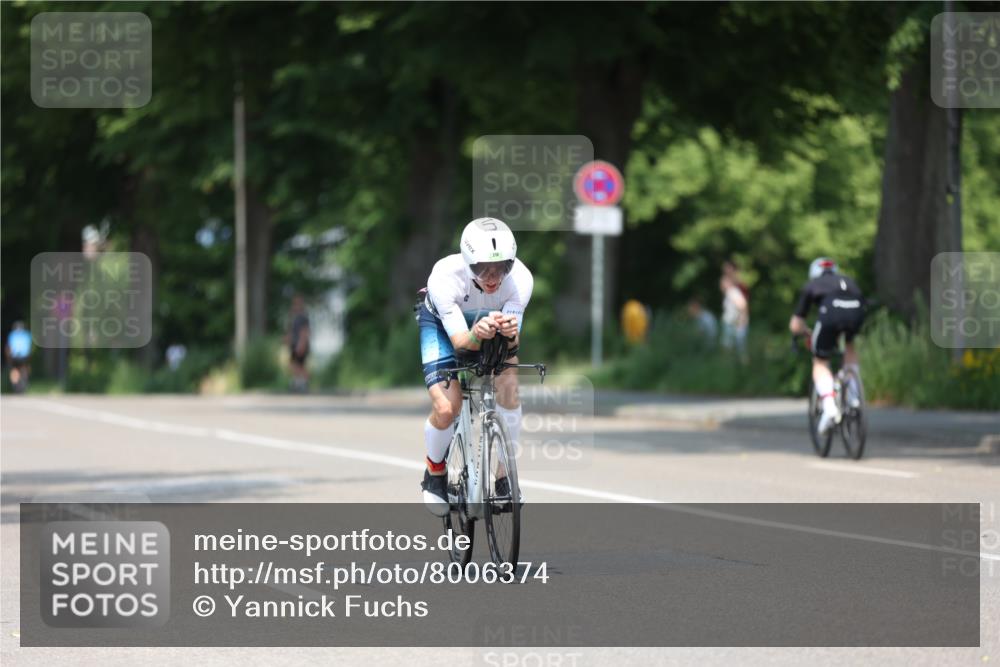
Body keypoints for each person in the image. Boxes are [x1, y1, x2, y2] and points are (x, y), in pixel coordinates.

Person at [416, 217, 532, 516]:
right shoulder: (445, 276)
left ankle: (504, 476)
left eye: (501, 267)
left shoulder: (520, 279)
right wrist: (477, 333)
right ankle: (435, 471)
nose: (493, 278)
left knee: (509, 389)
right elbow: (460, 343)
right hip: (444, 330)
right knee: (447, 408)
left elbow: (513, 343)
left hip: (489, 329)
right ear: (468, 263)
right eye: (482, 269)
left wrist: (510, 333)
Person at [789, 258, 866, 436]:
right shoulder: (848, 281)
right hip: (856, 314)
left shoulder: (812, 285)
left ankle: (829, 407)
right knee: (849, 347)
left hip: (830, 315)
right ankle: (853, 395)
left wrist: (805, 332)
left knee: (820, 362)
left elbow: (795, 324)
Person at [720, 274, 749, 359]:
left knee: (737, 348)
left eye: (722, 283)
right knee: (734, 347)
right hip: (732, 324)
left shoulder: (732, 292)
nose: (721, 285)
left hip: (734, 324)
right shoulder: (731, 292)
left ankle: (730, 364)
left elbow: (743, 305)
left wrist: (741, 320)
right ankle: (732, 364)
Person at [287, 295, 311, 392]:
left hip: (300, 345)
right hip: (295, 345)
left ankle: (303, 382)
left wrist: (301, 345)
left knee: (297, 365)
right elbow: (293, 332)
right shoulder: (295, 318)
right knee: (294, 365)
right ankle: (298, 382)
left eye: (296, 304)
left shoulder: (302, 317)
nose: (294, 306)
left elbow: (305, 332)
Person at [5, 321, 32, 392]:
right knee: (24, 367)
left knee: (14, 369)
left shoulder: (12, 334)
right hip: (24, 356)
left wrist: (8, 358)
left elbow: (9, 348)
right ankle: (25, 381)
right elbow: (29, 347)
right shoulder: (27, 335)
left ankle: (15, 384)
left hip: (14, 356)